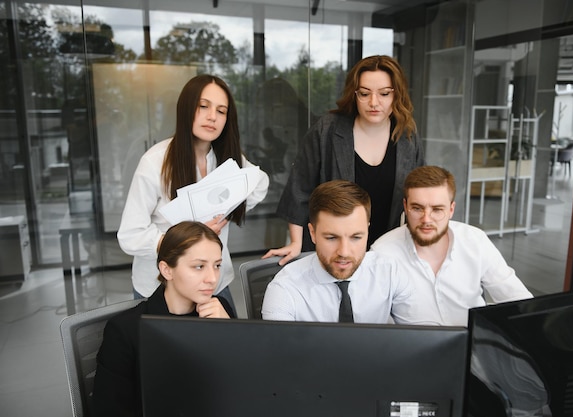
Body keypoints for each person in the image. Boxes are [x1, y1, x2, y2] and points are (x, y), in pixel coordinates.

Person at [117, 74, 269, 309]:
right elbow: (130, 235)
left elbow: (259, 183)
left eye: (221, 111)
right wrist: (186, 241)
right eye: (203, 106)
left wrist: (225, 211)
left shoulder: (227, 159)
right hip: (162, 288)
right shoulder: (155, 162)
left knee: (225, 345)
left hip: (213, 283)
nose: (212, 117)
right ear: (186, 108)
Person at [264, 55, 424, 265]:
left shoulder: (407, 137)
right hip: (334, 250)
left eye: (384, 93)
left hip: (386, 251)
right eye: (365, 94)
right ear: (354, 94)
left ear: (397, 95)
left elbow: (419, 194)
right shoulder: (327, 130)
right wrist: (296, 243)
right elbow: (299, 189)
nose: (374, 102)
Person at [93, 221, 234, 417]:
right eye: (199, 266)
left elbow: (241, 388)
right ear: (167, 270)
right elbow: (108, 411)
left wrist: (231, 335)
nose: (212, 278)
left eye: (217, 265)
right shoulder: (125, 331)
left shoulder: (220, 311)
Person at [371, 165, 533, 327]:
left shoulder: (475, 241)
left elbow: (517, 301)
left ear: (451, 209)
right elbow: (373, 323)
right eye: (417, 208)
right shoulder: (382, 254)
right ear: (405, 207)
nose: (426, 219)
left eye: (437, 209)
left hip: (471, 345)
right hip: (412, 349)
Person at [261, 180, 420, 324]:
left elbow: (418, 338)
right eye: (331, 238)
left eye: (356, 237)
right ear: (312, 233)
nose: (344, 252)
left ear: (367, 230)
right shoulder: (284, 288)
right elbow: (280, 353)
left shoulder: (390, 272)